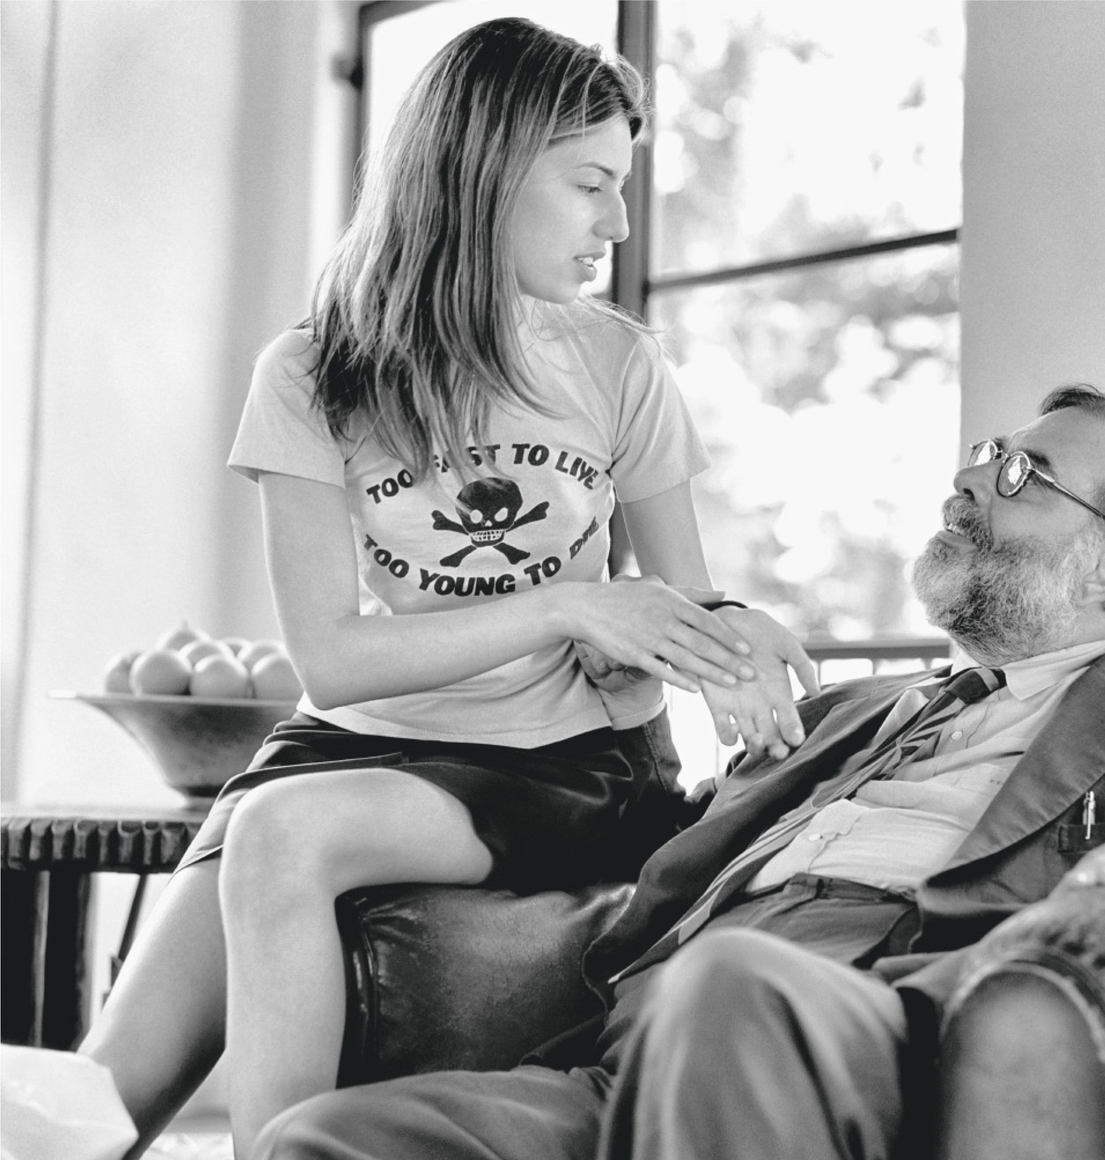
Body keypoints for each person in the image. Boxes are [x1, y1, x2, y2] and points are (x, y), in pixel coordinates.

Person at [253, 384, 1105, 1160]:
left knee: (737, 986)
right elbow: (656, 844)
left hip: (886, 1036)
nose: (970, 476)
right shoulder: (851, 713)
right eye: (987, 451)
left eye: (1024, 473)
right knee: (326, 1140)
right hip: (625, 1054)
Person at [77, 18, 816, 1160]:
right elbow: (331, 659)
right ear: (484, 169)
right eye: (588, 184)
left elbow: (685, 598)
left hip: (568, 765)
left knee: (278, 833)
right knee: (87, 1109)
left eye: (621, 187)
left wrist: (735, 647)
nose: (614, 223)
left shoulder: (617, 364)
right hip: (345, 747)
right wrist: (566, 603)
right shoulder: (314, 372)